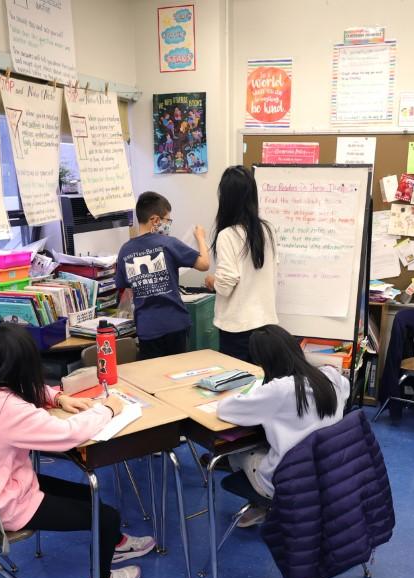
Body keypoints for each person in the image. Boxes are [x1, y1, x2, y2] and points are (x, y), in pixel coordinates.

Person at [0, 324, 156, 578]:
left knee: (89, 495)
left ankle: (113, 542)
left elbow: (23, 391)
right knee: (106, 515)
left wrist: (58, 397)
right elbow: (67, 434)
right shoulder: (5, 409)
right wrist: (108, 408)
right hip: (1, 505)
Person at [216, 325, 351, 526]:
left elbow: (226, 410)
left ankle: (261, 505)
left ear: (263, 361)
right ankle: (261, 507)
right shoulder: (331, 377)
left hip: (288, 483)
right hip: (328, 474)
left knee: (236, 451)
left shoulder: (278, 390)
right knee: (271, 443)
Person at [116, 191, 210, 359]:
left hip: (147, 327)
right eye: (167, 220)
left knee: (153, 378)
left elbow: (125, 286)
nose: (168, 225)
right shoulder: (168, 243)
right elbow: (204, 264)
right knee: (176, 375)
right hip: (175, 323)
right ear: (155, 220)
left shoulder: (125, 250)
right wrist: (201, 238)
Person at [204, 165, 278, 363]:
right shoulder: (267, 231)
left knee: (239, 388)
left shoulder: (227, 235)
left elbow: (226, 285)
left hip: (237, 330)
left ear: (226, 198)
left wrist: (212, 281)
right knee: (261, 386)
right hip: (266, 326)